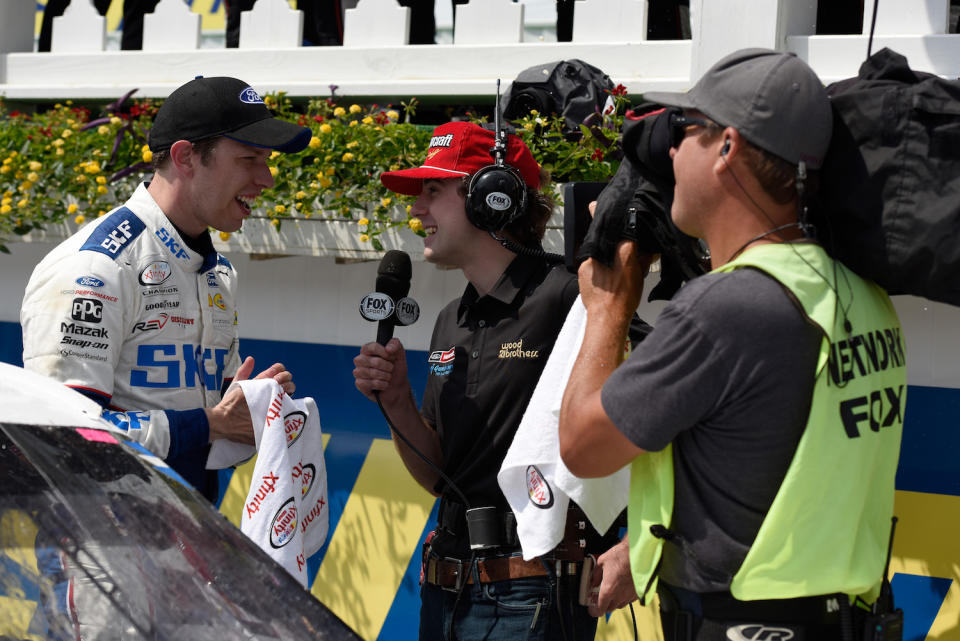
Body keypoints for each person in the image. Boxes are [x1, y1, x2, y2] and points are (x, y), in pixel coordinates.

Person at [558, 49, 907, 641]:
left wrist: (607, 308)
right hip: (842, 617)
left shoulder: (725, 308)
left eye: (687, 131)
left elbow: (583, 447)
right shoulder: (860, 292)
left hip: (744, 625)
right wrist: (643, 552)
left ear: (729, 149)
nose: (671, 151)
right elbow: (768, 466)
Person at [353, 121, 635, 640]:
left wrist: (635, 546)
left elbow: (642, 424)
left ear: (492, 198)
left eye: (432, 191)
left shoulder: (571, 297)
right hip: (445, 585)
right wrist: (396, 401)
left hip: (534, 590)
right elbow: (440, 476)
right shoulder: (448, 320)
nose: (416, 209)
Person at [21, 75, 310, 501]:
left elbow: (214, 436)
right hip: (97, 550)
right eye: (249, 159)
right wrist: (212, 422)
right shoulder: (95, 268)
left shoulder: (217, 273)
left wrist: (250, 412)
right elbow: (63, 435)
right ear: (185, 156)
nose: (266, 179)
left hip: (189, 535)